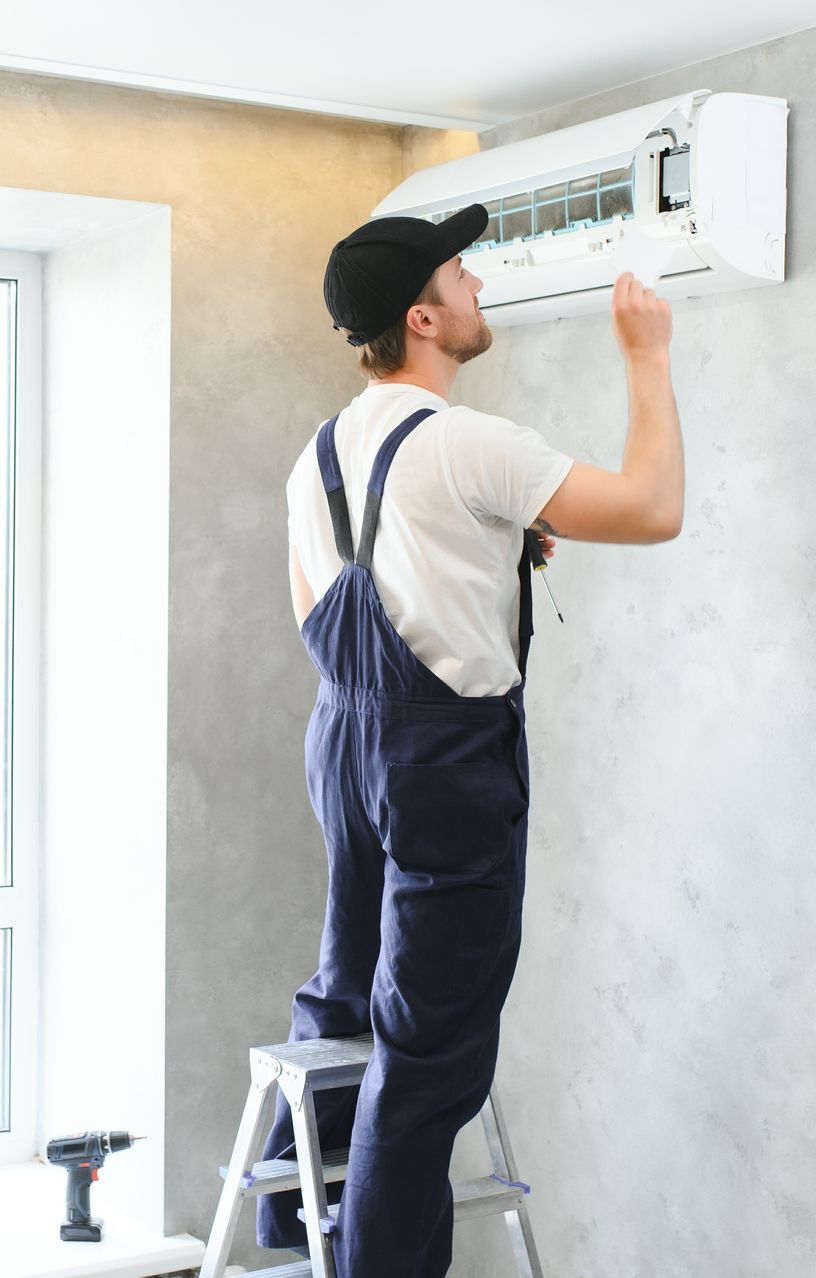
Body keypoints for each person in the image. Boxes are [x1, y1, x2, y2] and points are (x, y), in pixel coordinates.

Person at [255, 205, 684, 1277]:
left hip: (345, 741)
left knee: (348, 985)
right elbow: (652, 507)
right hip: (440, 761)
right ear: (424, 319)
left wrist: (476, 553)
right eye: (461, 272)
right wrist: (647, 356)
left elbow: (322, 610)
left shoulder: (316, 457)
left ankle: (291, 1224)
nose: (478, 284)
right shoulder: (468, 444)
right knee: (430, 1047)